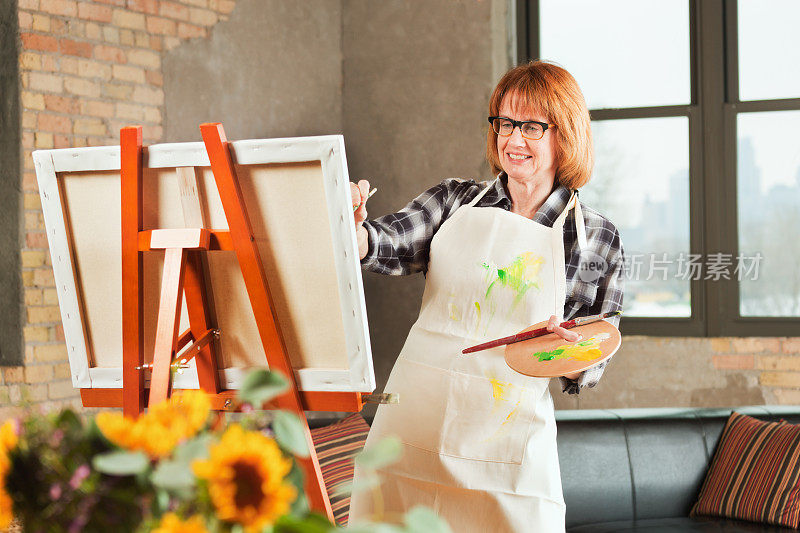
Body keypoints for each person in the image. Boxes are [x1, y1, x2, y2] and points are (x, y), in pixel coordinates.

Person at [347, 60, 624, 532]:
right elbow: (386, 241)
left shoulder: (593, 235)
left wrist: (564, 350)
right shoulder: (455, 201)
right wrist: (350, 229)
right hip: (414, 432)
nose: (514, 140)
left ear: (566, 134)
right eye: (505, 123)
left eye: (532, 126)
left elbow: (595, 349)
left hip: (506, 450)